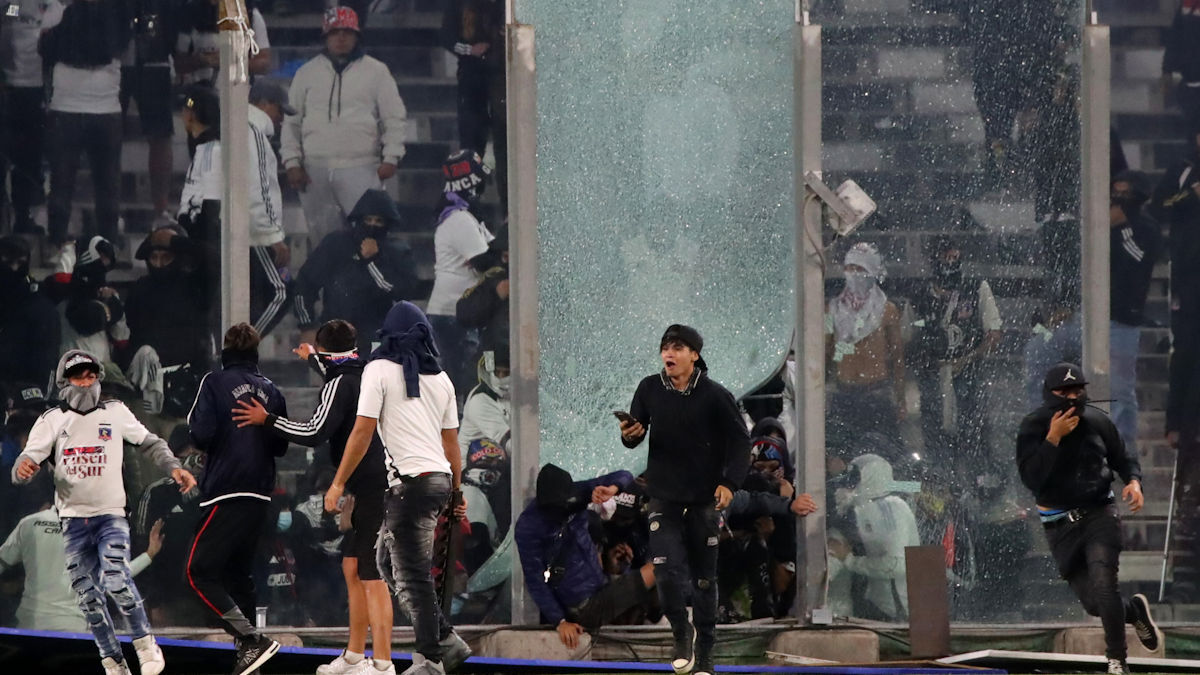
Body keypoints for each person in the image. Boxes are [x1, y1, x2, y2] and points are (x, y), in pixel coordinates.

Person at [10, 350, 196, 675]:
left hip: (110, 514)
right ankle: (113, 660)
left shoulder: (116, 412)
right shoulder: (52, 420)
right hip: (71, 518)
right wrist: (22, 468)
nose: (85, 382)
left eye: (90, 375)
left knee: (116, 577)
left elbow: (151, 443)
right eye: (78, 376)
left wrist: (173, 466)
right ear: (63, 381)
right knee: (87, 596)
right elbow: (27, 458)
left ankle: (145, 645)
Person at [232, 319, 395, 675]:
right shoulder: (359, 371)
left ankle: (382, 664)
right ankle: (354, 656)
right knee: (352, 566)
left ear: (326, 353)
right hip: (371, 483)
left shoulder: (339, 384)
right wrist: (311, 358)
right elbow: (336, 365)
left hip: (373, 485)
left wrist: (267, 419)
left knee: (372, 574)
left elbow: (314, 432)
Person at [322, 301, 472, 675]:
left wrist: (338, 482)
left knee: (412, 575)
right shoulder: (442, 379)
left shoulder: (378, 370)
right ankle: (445, 638)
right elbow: (452, 444)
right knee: (387, 563)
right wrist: (456, 491)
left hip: (411, 486)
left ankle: (431, 659)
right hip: (436, 481)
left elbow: (362, 430)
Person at [619, 324, 750, 675]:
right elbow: (635, 434)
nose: (669, 354)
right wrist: (630, 434)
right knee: (664, 572)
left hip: (704, 501)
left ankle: (706, 652)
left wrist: (730, 483)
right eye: (665, 347)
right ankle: (681, 632)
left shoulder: (715, 396)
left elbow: (741, 444)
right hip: (663, 497)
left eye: (677, 347)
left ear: (694, 354)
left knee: (705, 580)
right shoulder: (648, 388)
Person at [1015, 363, 1160, 675]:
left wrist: (1134, 482)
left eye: (1077, 390)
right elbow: (1031, 478)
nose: (1072, 397)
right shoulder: (1032, 427)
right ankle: (1134, 612)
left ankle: (1117, 661)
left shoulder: (1097, 420)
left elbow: (1123, 458)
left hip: (1099, 513)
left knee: (1105, 585)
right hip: (1058, 524)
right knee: (1095, 604)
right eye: (1063, 392)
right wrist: (1052, 439)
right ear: (1048, 394)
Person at [184, 323, 288, 675]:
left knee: (198, 571)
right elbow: (281, 445)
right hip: (261, 492)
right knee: (239, 575)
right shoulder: (272, 390)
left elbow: (200, 433)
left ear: (225, 350)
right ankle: (250, 662)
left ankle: (250, 639)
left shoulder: (213, 382)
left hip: (227, 489)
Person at [281, 6, 408, 247]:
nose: (340, 38)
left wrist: (392, 156)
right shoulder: (306, 73)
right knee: (323, 242)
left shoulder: (377, 72)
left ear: (357, 35)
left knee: (367, 238)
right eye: (334, 32)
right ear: (325, 37)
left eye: (347, 32)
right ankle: (326, 286)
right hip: (314, 169)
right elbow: (292, 121)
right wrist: (292, 162)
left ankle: (365, 286)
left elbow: (394, 117)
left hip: (362, 166)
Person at [515, 464, 657, 649]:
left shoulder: (579, 493)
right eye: (557, 507)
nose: (564, 509)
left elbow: (625, 475)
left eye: (567, 502)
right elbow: (534, 580)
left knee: (660, 584)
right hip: (583, 607)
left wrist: (611, 489)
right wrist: (560, 621)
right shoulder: (528, 527)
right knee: (659, 567)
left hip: (601, 584)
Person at [38, 0, 131, 247]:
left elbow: (45, 48)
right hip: (105, 109)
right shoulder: (117, 14)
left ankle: (56, 243)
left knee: (62, 183)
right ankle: (107, 246)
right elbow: (123, 45)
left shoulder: (57, 12)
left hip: (66, 109)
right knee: (108, 185)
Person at [908, 236, 1003, 475]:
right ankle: (940, 487)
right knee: (934, 435)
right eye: (945, 257)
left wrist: (969, 358)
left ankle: (976, 481)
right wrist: (924, 357)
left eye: (954, 257)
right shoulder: (919, 295)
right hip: (932, 375)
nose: (950, 262)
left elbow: (994, 334)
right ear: (935, 259)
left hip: (967, 374)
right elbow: (906, 337)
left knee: (973, 431)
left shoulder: (976, 288)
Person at [293, 189, 418, 354]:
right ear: (359, 219)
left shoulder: (397, 251)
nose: (372, 225)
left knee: (370, 378)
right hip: (335, 333)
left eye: (379, 221)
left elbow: (403, 291)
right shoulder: (336, 244)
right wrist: (306, 325)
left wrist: (372, 260)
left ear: (388, 223)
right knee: (337, 379)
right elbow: (305, 282)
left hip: (376, 336)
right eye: (368, 219)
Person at [427, 150, 497, 403]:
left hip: (461, 312)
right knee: (457, 387)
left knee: (462, 385)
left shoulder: (467, 218)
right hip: (452, 316)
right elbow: (484, 262)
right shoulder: (459, 219)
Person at [826, 242, 905, 455]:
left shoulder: (888, 311)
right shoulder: (831, 310)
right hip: (844, 395)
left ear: (871, 271)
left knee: (888, 456)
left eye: (860, 268)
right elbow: (826, 351)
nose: (854, 274)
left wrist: (900, 400)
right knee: (842, 456)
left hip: (876, 394)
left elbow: (897, 357)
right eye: (850, 268)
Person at [829, 453, 919, 621]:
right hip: (877, 605)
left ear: (869, 477)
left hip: (898, 612)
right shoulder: (865, 509)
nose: (851, 485)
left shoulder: (892, 508)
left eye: (855, 478)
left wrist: (850, 560)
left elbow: (897, 565)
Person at [1109, 172, 1161, 458]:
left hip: (1124, 318)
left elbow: (1138, 257)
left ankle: (1123, 448)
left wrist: (1122, 225)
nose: (1118, 200)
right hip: (1096, 314)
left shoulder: (1146, 227)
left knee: (1120, 389)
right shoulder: (1103, 224)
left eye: (1124, 194)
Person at [120, 0, 181, 225]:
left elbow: (172, 19)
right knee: (110, 137)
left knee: (161, 135)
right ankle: (109, 208)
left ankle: (161, 210)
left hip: (156, 60)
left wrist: (170, 49)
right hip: (115, 61)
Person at [0, 0, 49, 235]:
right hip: (6, 88)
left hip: (37, 90)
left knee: (29, 158)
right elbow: (7, 18)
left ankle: (23, 216)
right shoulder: (12, 6)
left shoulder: (56, 6)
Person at [0, 236, 60, 389]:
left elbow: (45, 362)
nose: (14, 268)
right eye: (7, 262)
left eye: (20, 263)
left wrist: (34, 403)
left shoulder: (39, 307)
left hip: (23, 398)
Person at [175, 0, 271, 87]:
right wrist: (201, 60)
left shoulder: (251, 15)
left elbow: (264, 64)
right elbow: (179, 63)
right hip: (199, 93)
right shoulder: (190, 14)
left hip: (239, 95)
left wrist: (231, 63)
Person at [1163, 0, 1200, 136]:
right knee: (1191, 133)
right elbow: (1175, 36)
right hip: (1188, 86)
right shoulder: (1186, 5)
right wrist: (1166, 70)